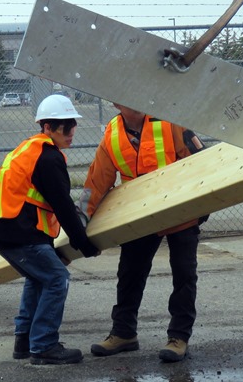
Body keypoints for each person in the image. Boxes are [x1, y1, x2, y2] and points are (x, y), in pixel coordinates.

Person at [0, 94, 100, 365]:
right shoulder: (47, 158)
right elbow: (63, 206)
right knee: (57, 279)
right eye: (65, 127)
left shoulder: (30, 148)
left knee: (39, 278)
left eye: (72, 125)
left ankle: (24, 342)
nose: (71, 132)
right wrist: (84, 243)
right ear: (47, 128)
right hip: (17, 230)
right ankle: (44, 345)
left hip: (6, 227)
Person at [82, 104, 203, 363]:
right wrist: (80, 221)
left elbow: (200, 162)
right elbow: (97, 181)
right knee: (129, 274)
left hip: (180, 213)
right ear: (115, 103)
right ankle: (124, 333)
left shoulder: (170, 120)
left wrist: (201, 208)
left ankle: (179, 337)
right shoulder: (113, 133)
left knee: (184, 274)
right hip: (139, 216)